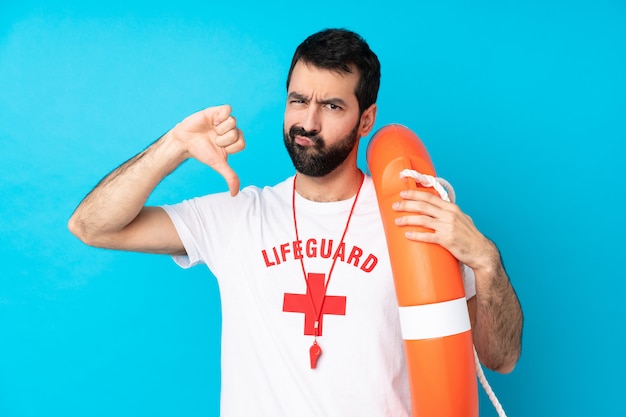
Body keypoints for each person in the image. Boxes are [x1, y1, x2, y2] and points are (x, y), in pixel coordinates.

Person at [68, 28, 523, 416]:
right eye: (298, 100)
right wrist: (174, 147)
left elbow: (499, 359)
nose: (306, 121)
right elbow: (92, 226)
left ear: (366, 120)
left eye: (331, 106)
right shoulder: (237, 215)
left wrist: (488, 263)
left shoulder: (415, 221)